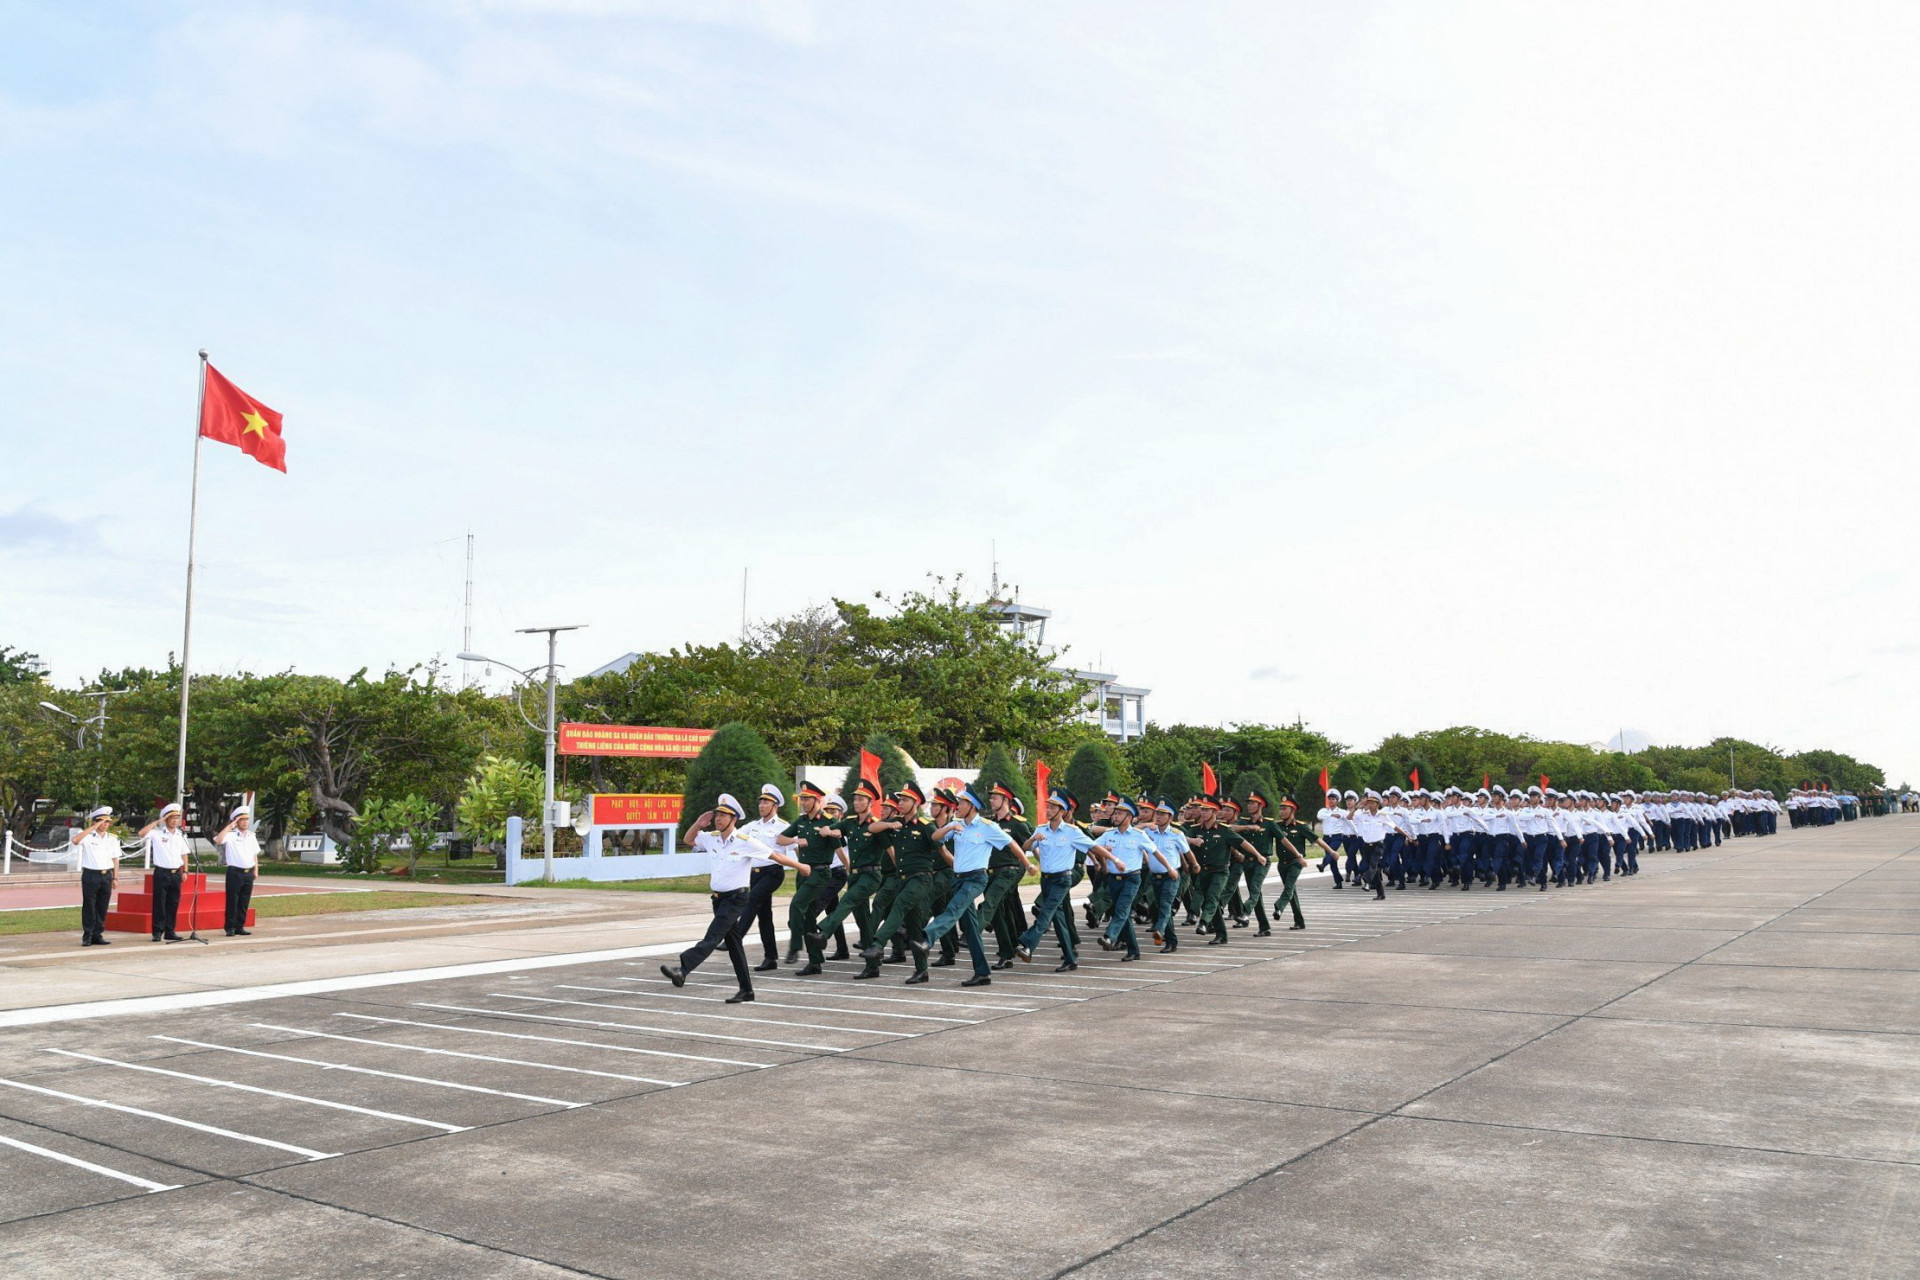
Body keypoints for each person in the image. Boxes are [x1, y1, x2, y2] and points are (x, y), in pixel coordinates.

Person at [661, 794, 809, 1003]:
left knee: (712, 937)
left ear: (734, 819)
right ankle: (746, 990)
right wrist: (697, 824)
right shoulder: (711, 837)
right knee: (735, 946)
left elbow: (775, 856)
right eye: (718, 815)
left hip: (736, 899)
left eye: (724, 815)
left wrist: (801, 866)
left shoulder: (744, 841)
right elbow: (688, 839)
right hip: (718, 899)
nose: (718, 818)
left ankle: (682, 969)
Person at [857, 783, 944, 984]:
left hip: (921, 879)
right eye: (900, 800)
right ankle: (922, 971)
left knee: (899, 905)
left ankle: (877, 945)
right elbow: (872, 827)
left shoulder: (924, 825)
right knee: (914, 927)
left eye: (905, 800)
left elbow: (939, 848)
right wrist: (889, 824)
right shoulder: (896, 822)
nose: (901, 803)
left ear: (915, 803)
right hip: (903, 879)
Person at [923, 788, 1010, 987]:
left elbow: (1011, 843)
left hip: (976, 878)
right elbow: (936, 838)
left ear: (972, 807)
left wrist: (1028, 863)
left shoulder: (987, 826)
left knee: (953, 909)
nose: (958, 806)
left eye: (962, 803)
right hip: (958, 879)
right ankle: (982, 973)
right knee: (970, 930)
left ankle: (927, 937)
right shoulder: (957, 825)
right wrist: (950, 827)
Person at [1016, 791, 1091, 971]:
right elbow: (1025, 847)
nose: (1048, 810)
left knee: (1045, 912)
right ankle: (1070, 959)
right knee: (1058, 920)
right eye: (1047, 806)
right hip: (1046, 880)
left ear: (1062, 811)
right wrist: (1033, 838)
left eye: (1052, 807)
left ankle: (1028, 943)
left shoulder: (1072, 831)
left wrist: (1114, 859)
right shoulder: (1041, 829)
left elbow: (1093, 847)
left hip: (1063, 879)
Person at [1089, 799, 1156, 960]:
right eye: (1115, 813)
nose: (1115, 816)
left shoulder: (1138, 835)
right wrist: (1103, 852)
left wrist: (1167, 869)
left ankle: (1109, 937)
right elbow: (1091, 846)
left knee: (1121, 910)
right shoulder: (1109, 834)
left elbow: (1153, 853)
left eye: (1119, 813)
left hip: (1132, 878)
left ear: (1129, 816)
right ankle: (1134, 950)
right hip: (1113, 879)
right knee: (1122, 914)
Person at [736, 784, 790, 971]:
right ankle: (771, 958)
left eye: (766, 802)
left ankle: (736, 937)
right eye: (761, 801)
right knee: (764, 917)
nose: (761, 805)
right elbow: (735, 836)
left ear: (775, 806)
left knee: (752, 899)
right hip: (755, 875)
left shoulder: (783, 827)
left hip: (773, 872)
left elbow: (796, 847)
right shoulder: (753, 826)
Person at [69, 806, 120, 947]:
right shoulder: (87, 837)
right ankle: (88, 935)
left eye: (107, 822)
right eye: (102, 821)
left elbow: (115, 859)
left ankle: (98, 934)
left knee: (102, 907)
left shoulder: (112, 839)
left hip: (106, 875)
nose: (105, 824)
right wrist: (93, 827)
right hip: (91, 875)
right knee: (89, 907)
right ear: (95, 822)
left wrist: (115, 877)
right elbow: (75, 840)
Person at [137, 802, 189, 942]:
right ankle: (157, 931)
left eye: (177, 818)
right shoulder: (157, 833)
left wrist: (186, 871)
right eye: (172, 818)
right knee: (159, 903)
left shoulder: (180, 834)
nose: (175, 820)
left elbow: (184, 853)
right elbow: (141, 833)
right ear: (165, 819)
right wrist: (157, 822)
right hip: (162, 872)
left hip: (176, 873)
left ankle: (170, 930)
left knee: (173, 903)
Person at [213, 805, 261, 936]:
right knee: (232, 901)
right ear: (236, 821)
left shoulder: (251, 836)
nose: (245, 822)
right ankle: (230, 927)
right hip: (235, 872)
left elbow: (254, 854)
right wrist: (229, 826)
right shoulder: (231, 835)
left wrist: (256, 870)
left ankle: (240, 926)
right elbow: (218, 840)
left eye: (247, 820)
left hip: (248, 872)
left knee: (244, 901)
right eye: (242, 820)